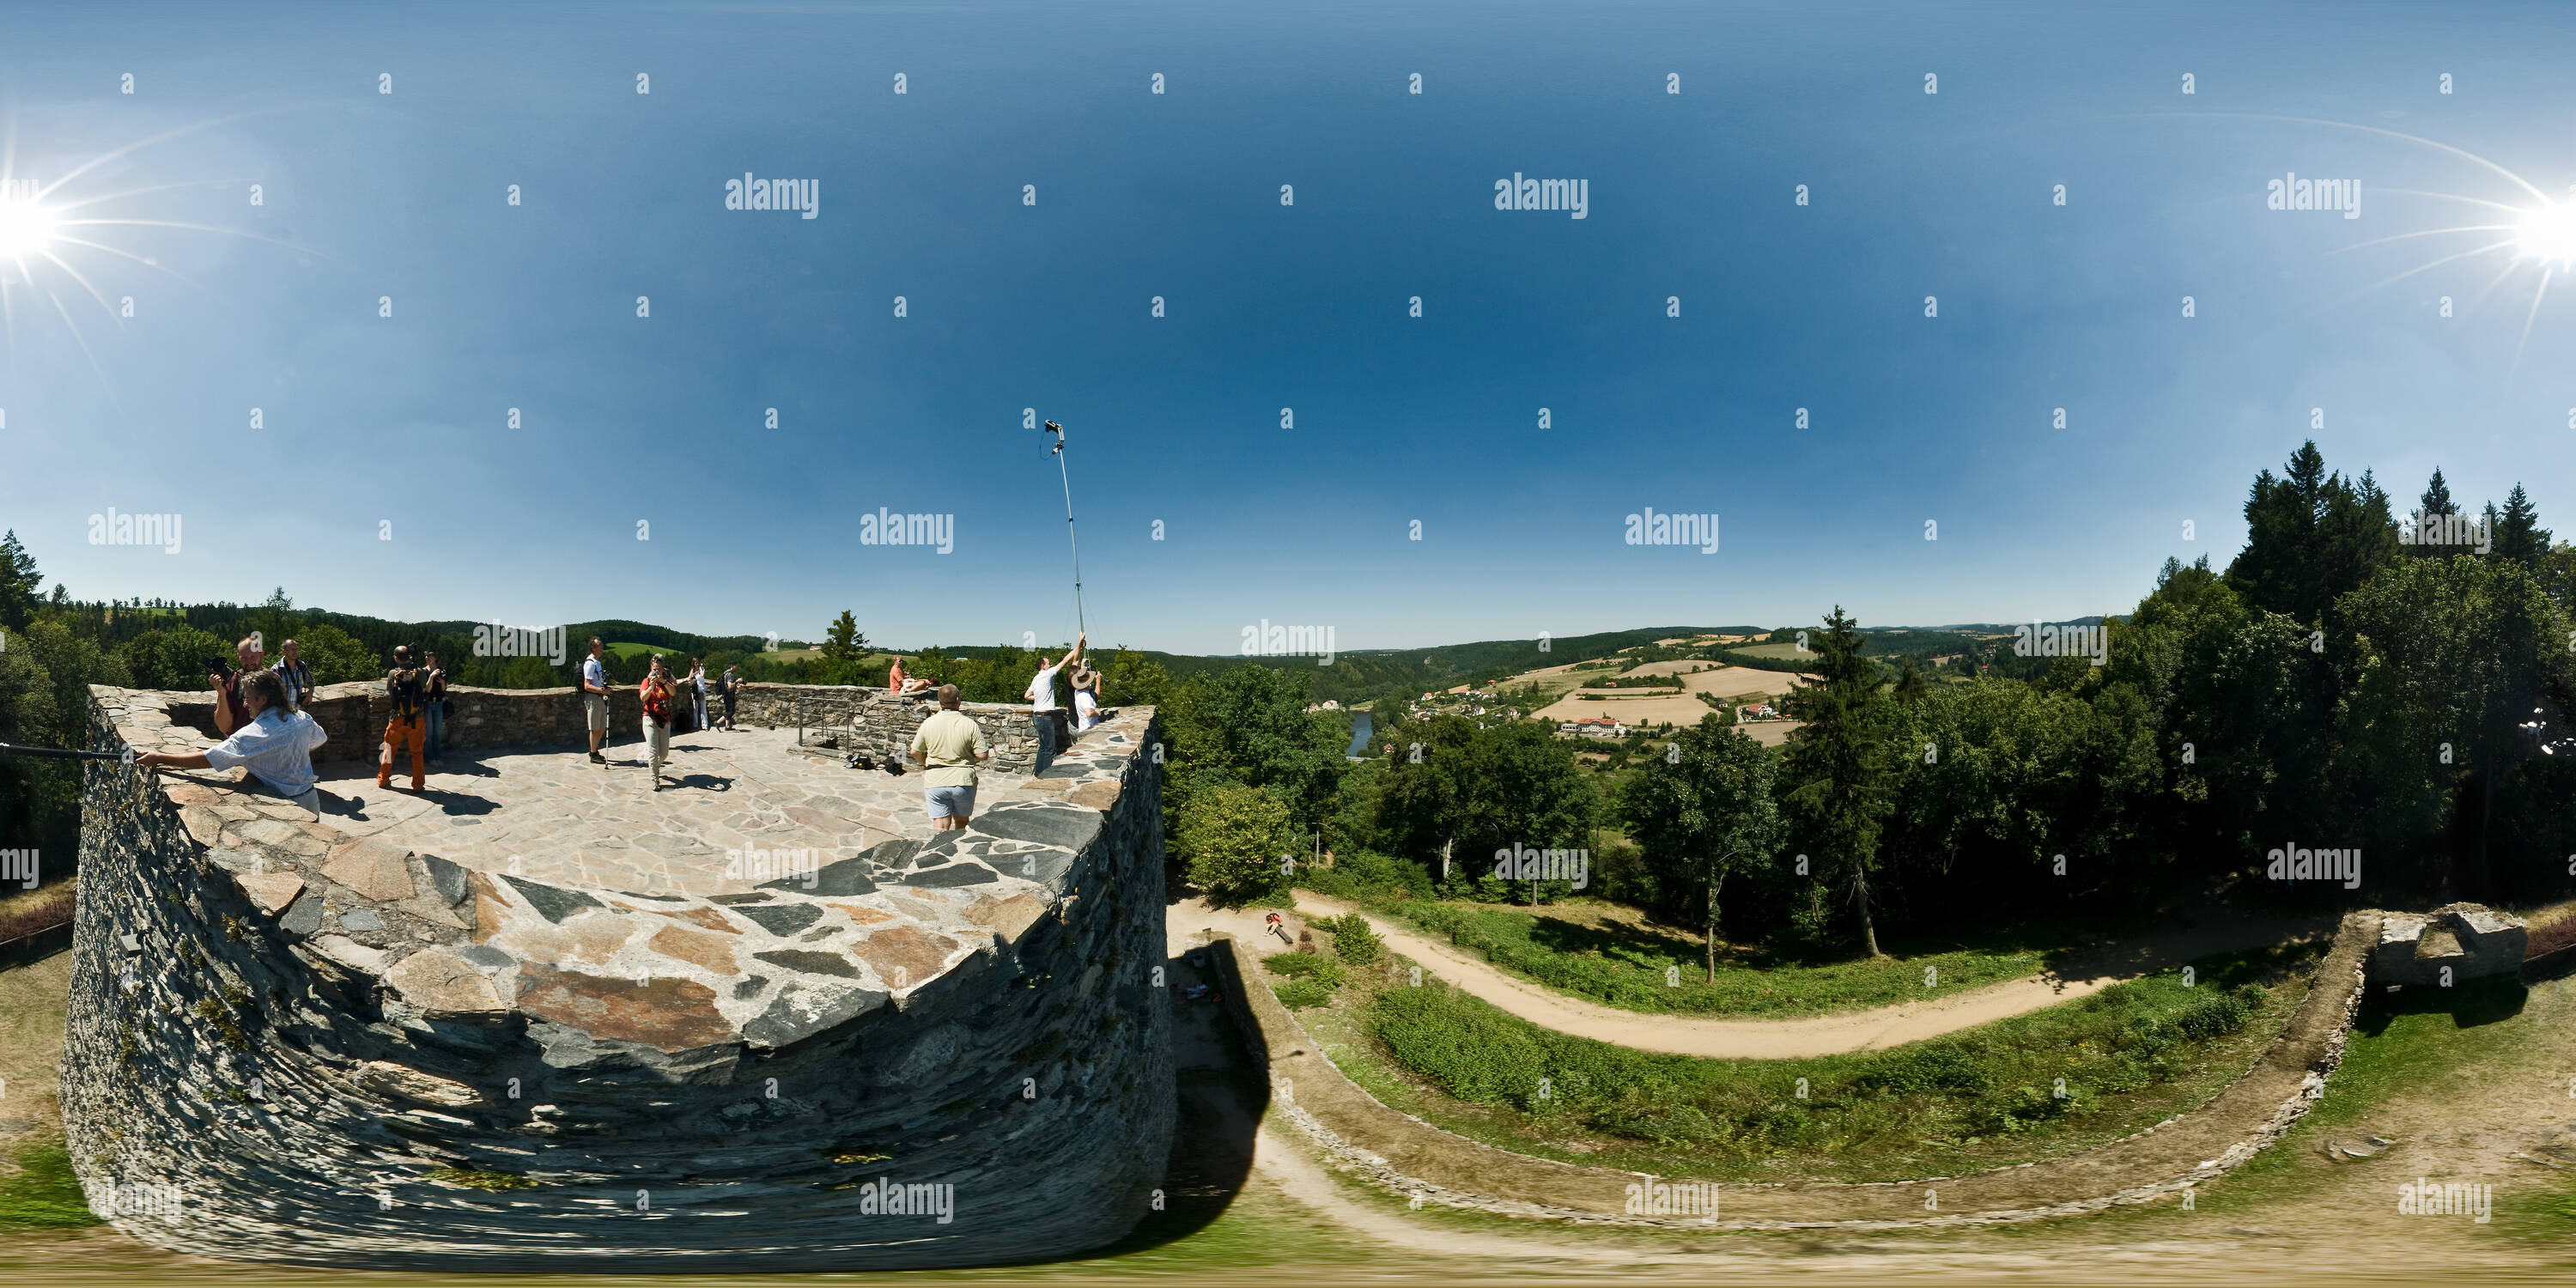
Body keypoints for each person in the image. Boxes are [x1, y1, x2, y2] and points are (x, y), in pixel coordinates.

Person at [137, 669, 327, 817]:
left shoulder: (256, 733)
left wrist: (160, 757)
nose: (244, 703)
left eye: (248, 698)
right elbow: (319, 740)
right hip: (311, 798)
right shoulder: (302, 718)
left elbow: (211, 758)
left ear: (263, 699)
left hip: (287, 806)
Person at [908, 683, 991, 829]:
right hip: (962, 780)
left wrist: (924, 763)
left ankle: (937, 851)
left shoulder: (928, 723)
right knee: (962, 822)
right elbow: (982, 755)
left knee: (940, 824)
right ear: (958, 699)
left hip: (935, 779)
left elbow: (915, 751)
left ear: (939, 700)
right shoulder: (969, 724)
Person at [1024, 632, 1082, 774]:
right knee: (1050, 749)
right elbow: (1066, 660)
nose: (1050, 664)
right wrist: (1079, 643)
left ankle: (1037, 773)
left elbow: (1027, 695)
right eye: (1048, 663)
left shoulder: (1036, 678)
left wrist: (1038, 698)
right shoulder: (1048, 673)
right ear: (1043, 666)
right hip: (1045, 717)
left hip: (1036, 716)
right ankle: (1044, 776)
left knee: (1043, 748)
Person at [379, 645, 430, 792]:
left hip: (397, 717)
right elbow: (424, 689)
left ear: (396, 658)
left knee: (388, 749)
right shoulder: (419, 672)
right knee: (417, 752)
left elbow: (390, 692)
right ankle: (418, 784)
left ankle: (384, 778)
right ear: (410, 657)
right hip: (417, 718)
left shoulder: (392, 673)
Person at [209, 634, 266, 737]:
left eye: (253, 657)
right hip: (239, 744)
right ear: (238, 656)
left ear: (261, 654)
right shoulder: (231, 682)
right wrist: (222, 693)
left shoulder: (273, 680)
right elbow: (224, 727)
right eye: (244, 658)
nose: (249, 662)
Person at [640, 655, 676, 789]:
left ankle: (654, 765)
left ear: (663, 669)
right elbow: (643, 697)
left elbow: (673, 692)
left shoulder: (665, 682)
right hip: (650, 718)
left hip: (664, 719)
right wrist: (651, 686)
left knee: (664, 753)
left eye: (659, 669)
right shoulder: (646, 681)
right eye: (654, 669)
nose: (656, 672)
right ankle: (655, 780)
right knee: (653, 752)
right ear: (650, 668)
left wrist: (663, 681)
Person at [580, 636, 611, 763]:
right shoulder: (590, 663)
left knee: (602, 727)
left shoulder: (597, 662)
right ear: (593, 648)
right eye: (600, 646)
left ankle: (594, 750)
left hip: (599, 698)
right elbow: (586, 685)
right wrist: (602, 691)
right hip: (593, 698)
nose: (602, 649)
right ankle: (593, 754)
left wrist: (603, 688)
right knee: (594, 728)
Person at [422, 648, 450, 765]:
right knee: (429, 732)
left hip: (438, 703)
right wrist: (432, 677)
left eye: (430, 656)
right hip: (428, 703)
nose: (427, 658)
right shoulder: (423, 671)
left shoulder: (441, 671)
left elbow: (444, 689)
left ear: (435, 658)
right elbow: (427, 689)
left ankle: (438, 756)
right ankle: (430, 757)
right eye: (426, 656)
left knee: (437, 732)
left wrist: (442, 682)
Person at [275, 638, 313, 713]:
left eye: (296, 649)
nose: (295, 652)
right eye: (292, 649)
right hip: (282, 713)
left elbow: (310, 681)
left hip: (298, 711)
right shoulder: (277, 670)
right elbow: (270, 693)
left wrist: (310, 693)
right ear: (284, 651)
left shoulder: (301, 665)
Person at [1070, 663, 1103, 732]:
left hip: (1083, 728)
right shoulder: (1085, 696)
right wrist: (1097, 713)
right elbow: (1089, 713)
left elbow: (1083, 681)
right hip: (1089, 729)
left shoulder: (1077, 692)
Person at [688, 657, 710, 733]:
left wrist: (700, 667)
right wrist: (693, 674)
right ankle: (695, 724)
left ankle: (705, 725)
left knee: (703, 708)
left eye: (698, 662)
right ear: (693, 663)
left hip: (701, 690)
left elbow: (703, 674)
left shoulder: (702, 668)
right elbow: (689, 678)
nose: (697, 664)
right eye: (695, 663)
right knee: (695, 708)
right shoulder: (693, 670)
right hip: (694, 691)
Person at [719, 663, 740, 731]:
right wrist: (737, 681)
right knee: (731, 711)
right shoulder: (730, 674)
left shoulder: (725, 673)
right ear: (732, 666)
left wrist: (736, 686)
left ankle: (727, 726)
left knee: (728, 710)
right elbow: (730, 685)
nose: (737, 668)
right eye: (736, 666)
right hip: (729, 695)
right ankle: (717, 722)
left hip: (726, 694)